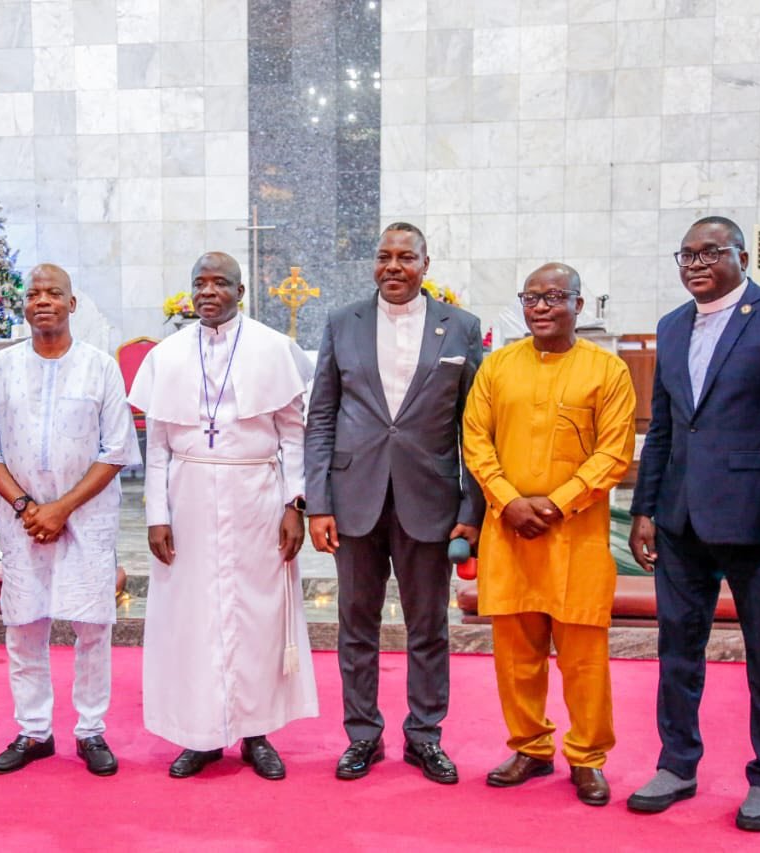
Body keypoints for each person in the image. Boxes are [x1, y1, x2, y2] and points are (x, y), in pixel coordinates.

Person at [627, 216, 760, 831]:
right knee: (677, 651)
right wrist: (645, 508)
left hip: (759, 526)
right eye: (685, 254)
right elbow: (664, 428)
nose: (695, 262)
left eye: (710, 251)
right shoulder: (672, 325)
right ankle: (677, 763)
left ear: (742, 256)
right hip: (681, 522)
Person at [305, 222, 484, 783]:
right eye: (383, 257)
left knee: (428, 626)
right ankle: (362, 736)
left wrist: (469, 511)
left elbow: (475, 429)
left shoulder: (462, 328)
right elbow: (322, 417)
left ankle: (425, 737)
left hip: (429, 500)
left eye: (406, 258)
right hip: (354, 498)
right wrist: (318, 502)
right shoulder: (343, 324)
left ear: (426, 264)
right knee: (355, 624)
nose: (393, 267)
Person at [129, 252, 318, 781]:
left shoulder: (272, 349)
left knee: (256, 616)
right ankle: (200, 734)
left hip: (257, 494)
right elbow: (159, 445)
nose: (208, 292)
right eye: (199, 283)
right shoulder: (167, 356)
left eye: (220, 283)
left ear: (240, 291)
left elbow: (293, 435)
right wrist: (156, 515)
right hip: (188, 496)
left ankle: (256, 732)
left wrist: (294, 505)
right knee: (193, 618)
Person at [462, 263, 636, 807]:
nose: (541, 307)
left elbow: (615, 453)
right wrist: (508, 501)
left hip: (577, 535)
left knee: (585, 657)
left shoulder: (607, 372)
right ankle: (531, 747)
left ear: (579, 306)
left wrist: (558, 504)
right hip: (508, 532)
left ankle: (587, 757)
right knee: (515, 653)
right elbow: (474, 440)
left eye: (554, 297)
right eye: (532, 297)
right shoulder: (497, 368)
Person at [0, 264, 139, 776]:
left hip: (87, 518)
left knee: (92, 625)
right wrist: (24, 506)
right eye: (34, 293)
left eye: (53, 293)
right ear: (24, 305)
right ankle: (34, 730)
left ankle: (90, 731)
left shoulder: (100, 367)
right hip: (22, 519)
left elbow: (116, 450)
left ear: (71, 304)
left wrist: (61, 508)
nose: (43, 301)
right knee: (24, 625)